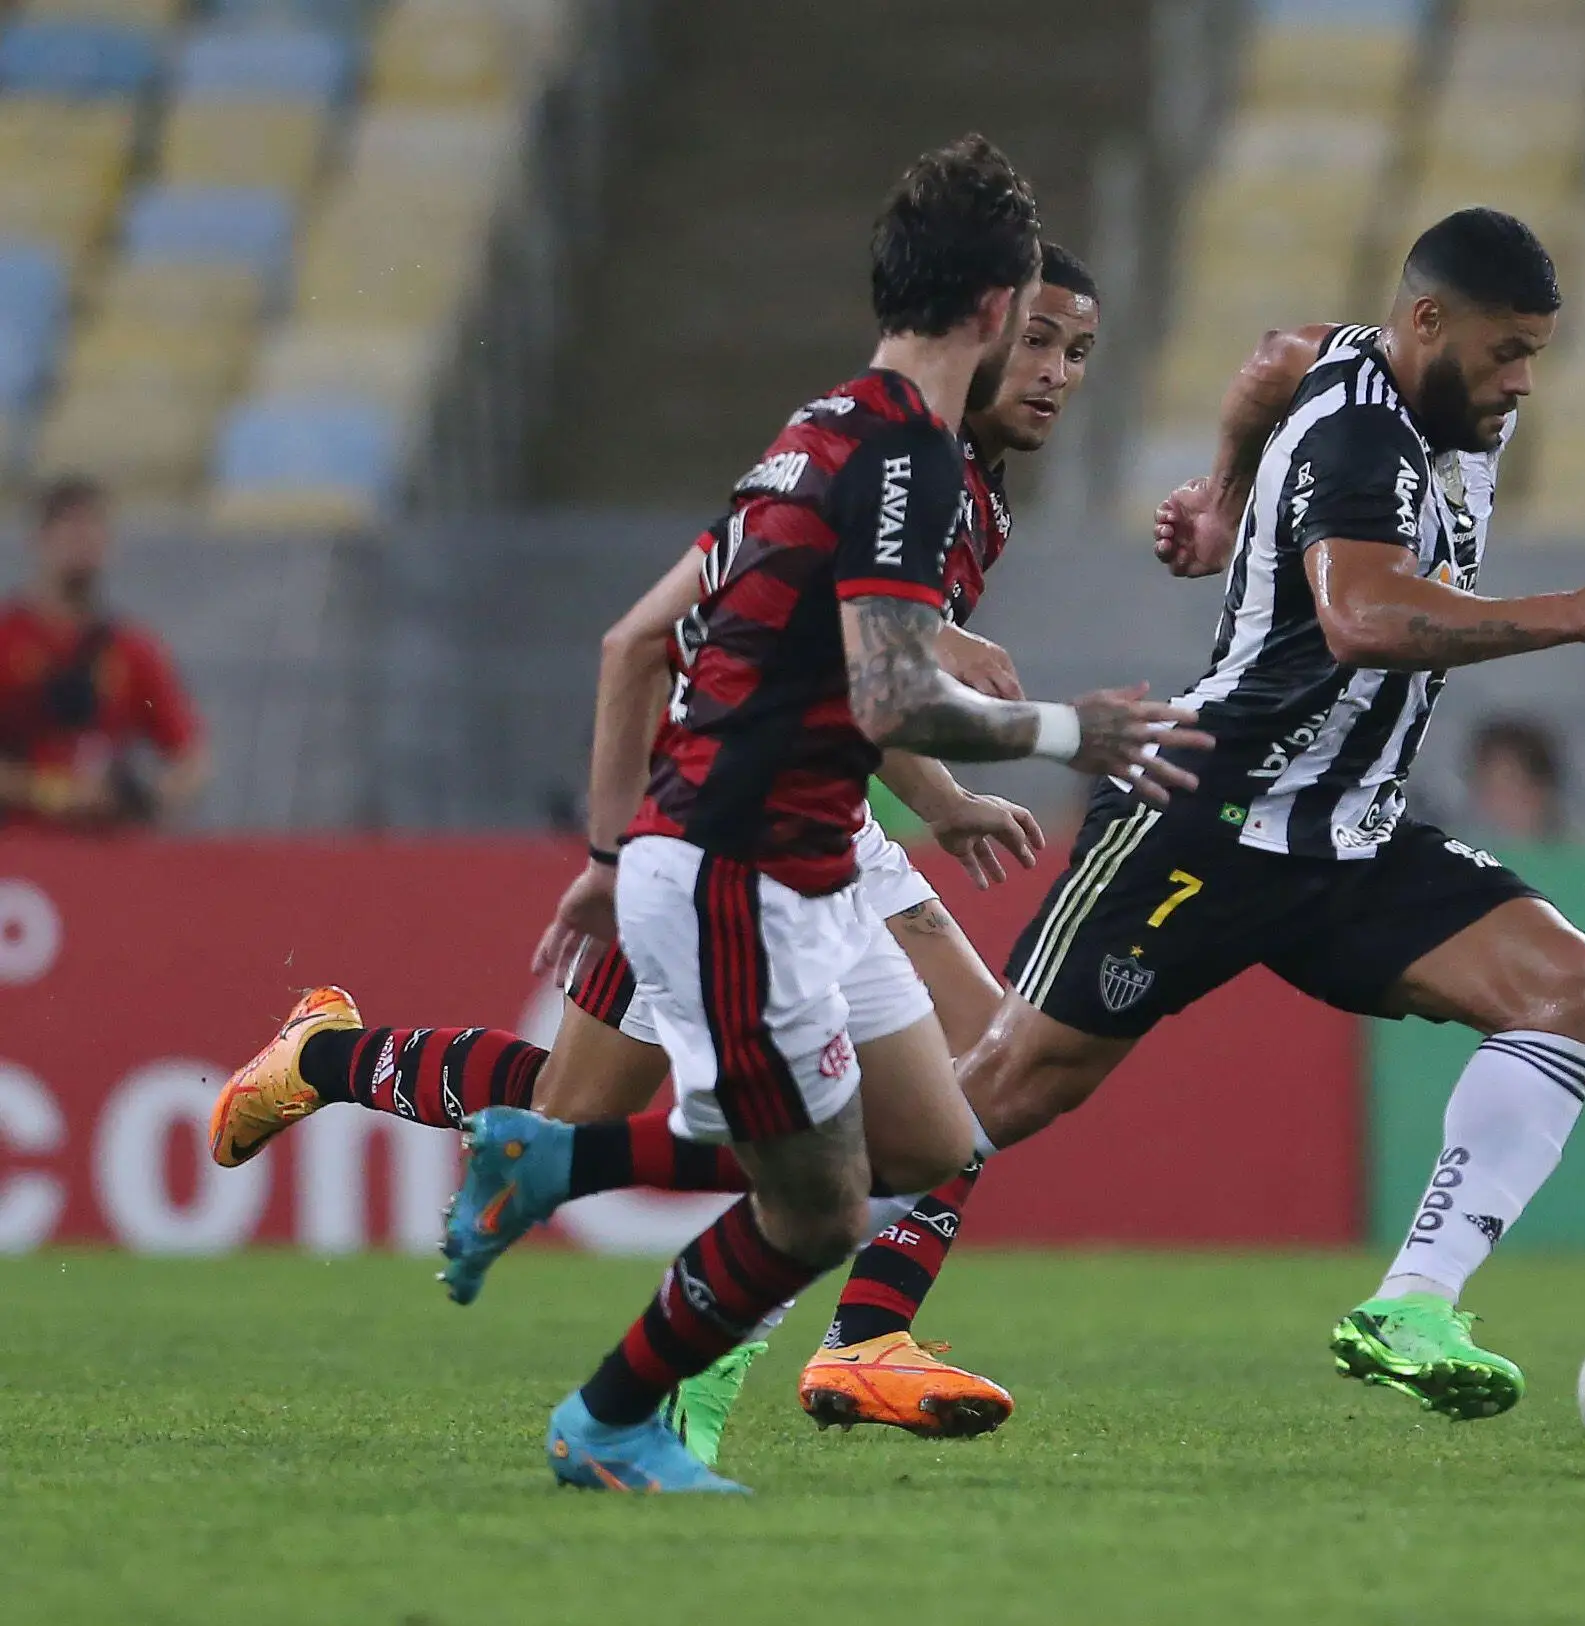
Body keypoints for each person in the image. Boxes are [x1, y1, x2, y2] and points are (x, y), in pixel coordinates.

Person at [219, 137, 1205, 1495]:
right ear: (985, 316)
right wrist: (1048, 736)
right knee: (653, 1121)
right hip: (733, 830)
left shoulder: (868, 452)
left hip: (796, 831)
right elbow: (858, 686)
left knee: (963, 1089)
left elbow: (815, 678)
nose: (1050, 373)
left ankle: (862, 1332)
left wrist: (938, 788)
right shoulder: (901, 462)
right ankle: (345, 1066)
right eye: (1036, 337)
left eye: (1078, 352)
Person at [943, 206, 1585, 1422]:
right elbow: (1362, 617)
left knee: (1568, 988)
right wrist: (1579, 611)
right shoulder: (1363, 443)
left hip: (1345, 835)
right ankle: (746, 1317)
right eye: (1504, 354)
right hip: (1204, 810)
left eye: (1535, 358)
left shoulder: (1376, 369)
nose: (1519, 384)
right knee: (1002, 1090)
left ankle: (1413, 1304)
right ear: (1429, 322)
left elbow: (1270, 355)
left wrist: (1223, 493)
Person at [0, 478, 209, 828]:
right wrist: (48, 793)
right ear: (39, 541)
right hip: (18, 849)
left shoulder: (132, 648)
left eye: (93, 532)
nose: (84, 545)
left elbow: (190, 755)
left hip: (106, 850)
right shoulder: (8, 639)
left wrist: (147, 796)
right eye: (71, 531)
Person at [1462, 716, 1567, 844]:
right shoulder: (1454, 856)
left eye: (1504, 788)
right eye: (1483, 788)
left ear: (1539, 791)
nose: (1491, 803)